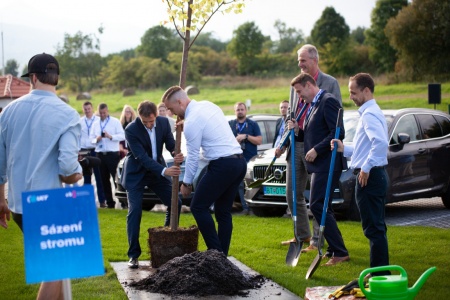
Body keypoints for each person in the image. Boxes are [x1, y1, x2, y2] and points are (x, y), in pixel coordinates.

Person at [0, 53, 83, 299]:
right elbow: (67, 168)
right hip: (50, 204)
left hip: (17, 205)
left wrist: (0, 200)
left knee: (57, 267)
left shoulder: (8, 111)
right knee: (57, 269)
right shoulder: (67, 114)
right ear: (56, 78)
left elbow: (0, 162)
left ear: (33, 78)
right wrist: (76, 175)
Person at [162, 86, 247, 256]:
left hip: (223, 165)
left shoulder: (192, 121)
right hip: (238, 163)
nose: (172, 113)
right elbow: (207, 129)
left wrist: (186, 183)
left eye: (171, 109)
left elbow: (192, 156)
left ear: (180, 102)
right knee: (223, 211)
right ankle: (222, 257)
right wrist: (187, 124)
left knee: (198, 206)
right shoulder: (208, 105)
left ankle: (215, 252)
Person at [281, 44, 343, 251]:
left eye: (303, 60)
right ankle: (302, 236)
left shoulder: (330, 83)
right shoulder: (295, 84)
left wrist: (320, 147)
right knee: (292, 193)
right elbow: (293, 111)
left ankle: (318, 240)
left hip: (318, 147)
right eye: (298, 60)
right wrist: (289, 125)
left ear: (314, 60)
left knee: (317, 197)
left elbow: (335, 118)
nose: (300, 64)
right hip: (296, 143)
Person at [331, 73, 389, 274]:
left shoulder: (370, 114)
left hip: (370, 178)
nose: (351, 97)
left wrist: (365, 168)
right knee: (376, 228)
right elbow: (363, 147)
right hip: (375, 176)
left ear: (366, 90)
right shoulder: (370, 112)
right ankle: (381, 272)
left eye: (353, 92)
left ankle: (379, 275)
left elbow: (380, 143)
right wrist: (343, 149)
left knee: (374, 229)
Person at [291, 73, 349, 266]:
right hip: (320, 165)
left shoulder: (328, 101)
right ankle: (335, 249)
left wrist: (317, 149)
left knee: (317, 205)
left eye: (300, 92)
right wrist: (297, 131)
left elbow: (338, 131)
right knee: (324, 207)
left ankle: (340, 251)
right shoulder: (313, 104)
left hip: (328, 163)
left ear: (309, 85)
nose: (299, 97)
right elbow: (313, 132)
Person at [121, 100, 184, 269]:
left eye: (151, 121)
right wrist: (165, 171)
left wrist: (176, 153)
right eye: (145, 122)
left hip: (156, 171)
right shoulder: (131, 130)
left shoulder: (163, 123)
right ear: (139, 117)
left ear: (156, 115)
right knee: (135, 211)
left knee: (175, 203)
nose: (149, 125)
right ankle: (133, 255)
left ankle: (164, 240)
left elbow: (171, 144)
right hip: (136, 172)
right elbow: (141, 157)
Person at [229, 102, 262, 215]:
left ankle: (251, 207)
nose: (240, 111)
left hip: (250, 159)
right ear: (235, 111)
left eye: (242, 109)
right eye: (238, 109)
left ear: (246, 111)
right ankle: (243, 207)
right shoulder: (230, 124)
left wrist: (246, 136)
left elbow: (259, 140)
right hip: (235, 158)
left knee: (249, 183)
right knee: (238, 184)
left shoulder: (252, 124)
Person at [92, 103, 125, 209]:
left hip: (112, 154)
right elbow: (90, 139)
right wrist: (96, 139)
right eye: (100, 113)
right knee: (104, 180)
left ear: (107, 111)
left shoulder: (115, 122)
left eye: (104, 113)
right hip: (100, 154)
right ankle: (110, 203)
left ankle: (123, 202)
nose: (102, 115)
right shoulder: (95, 124)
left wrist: (111, 136)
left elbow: (122, 135)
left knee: (116, 178)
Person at [80, 101, 107, 207]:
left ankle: (102, 201)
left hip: (95, 150)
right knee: (86, 177)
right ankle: (86, 201)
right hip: (84, 150)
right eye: (85, 109)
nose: (87, 111)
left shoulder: (98, 120)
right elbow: (78, 136)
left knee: (98, 176)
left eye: (89, 109)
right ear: (83, 110)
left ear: (92, 109)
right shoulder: (80, 121)